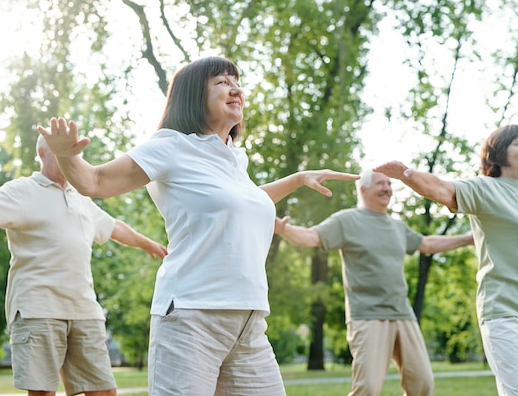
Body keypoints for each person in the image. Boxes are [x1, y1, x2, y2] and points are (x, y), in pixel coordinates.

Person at [37, 55, 360, 395]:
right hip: (192, 317)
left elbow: (244, 200)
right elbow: (97, 182)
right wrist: (67, 156)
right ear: (193, 95)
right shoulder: (171, 145)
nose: (235, 89)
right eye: (222, 82)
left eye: (237, 82)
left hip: (248, 323)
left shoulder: (233, 158)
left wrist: (297, 179)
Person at [0, 134, 168, 396]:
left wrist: (148, 243)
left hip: (84, 311)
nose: (70, 158)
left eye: (74, 152)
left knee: (104, 391)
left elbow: (113, 226)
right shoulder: (22, 191)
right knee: (43, 393)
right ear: (42, 153)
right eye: (61, 150)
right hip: (39, 308)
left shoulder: (81, 197)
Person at [374, 124, 518, 396]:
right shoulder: (486, 189)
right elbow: (441, 189)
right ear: (498, 154)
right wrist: (407, 175)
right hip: (509, 315)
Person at [274, 169, 474, 396]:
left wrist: (467, 239)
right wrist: (285, 230)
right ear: (363, 188)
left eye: (389, 184)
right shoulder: (346, 220)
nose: (387, 188)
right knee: (367, 388)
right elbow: (311, 236)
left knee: (422, 384)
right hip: (367, 314)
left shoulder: (397, 227)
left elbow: (426, 244)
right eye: (381, 183)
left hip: (402, 314)